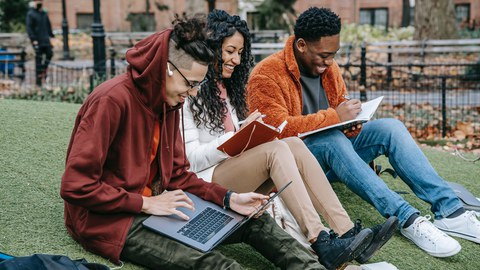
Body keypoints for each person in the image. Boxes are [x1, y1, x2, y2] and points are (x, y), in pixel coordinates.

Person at [60, 15, 324, 270]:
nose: (194, 92)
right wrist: (145, 204)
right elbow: (76, 186)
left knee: (254, 221)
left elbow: (177, 175)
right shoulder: (110, 101)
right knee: (218, 266)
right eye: (192, 83)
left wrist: (229, 199)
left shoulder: (169, 101)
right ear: (168, 69)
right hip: (112, 221)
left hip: (162, 206)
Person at [247, 7, 480, 258]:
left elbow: (339, 106)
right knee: (330, 139)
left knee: (391, 128)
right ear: (302, 45)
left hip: (336, 150)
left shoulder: (329, 67)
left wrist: (351, 122)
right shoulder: (266, 74)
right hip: (298, 164)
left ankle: (450, 211)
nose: (328, 63)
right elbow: (274, 132)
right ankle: (408, 219)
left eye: (333, 55)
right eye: (323, 55)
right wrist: (335, 118)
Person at [182, 10, 398, 269]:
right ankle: (320, 239)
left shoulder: (228, 89)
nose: (236, 60)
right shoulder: (187, 90)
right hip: (206, 182)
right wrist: (237, 137)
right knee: (276, 149)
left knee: (292, 144)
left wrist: (246, 133)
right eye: (229, 51)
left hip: (233, 170)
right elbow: (191, 160)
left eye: (240, 53)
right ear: (211, 47)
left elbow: (234, 139)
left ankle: (346, 232)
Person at [26, 0, 54, 86]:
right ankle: (38, 82)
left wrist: (51, 36)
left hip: (46, 40)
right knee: (38, 60)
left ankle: (43, 70)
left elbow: (48, 26)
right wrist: (33, 39)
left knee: (49, 54)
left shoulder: (44, 13)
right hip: (37, 41)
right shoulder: (31, 14)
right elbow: (29, 28)